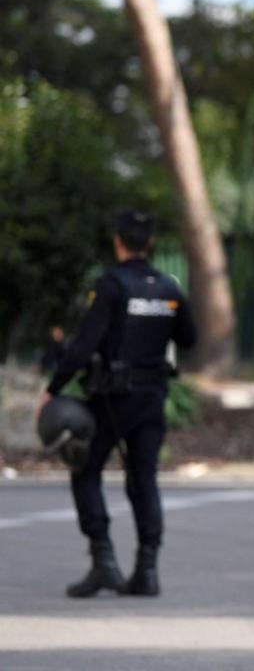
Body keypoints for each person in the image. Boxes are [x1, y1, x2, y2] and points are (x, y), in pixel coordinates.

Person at [37, 210, 196, 597]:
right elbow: (188, 338)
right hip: (152, 398)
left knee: (85, 471)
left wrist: (53, 388)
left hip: (111, 399)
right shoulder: (169, 289)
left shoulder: (110, 286)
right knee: (143, 480)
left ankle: (103, 561)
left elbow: (83, 345)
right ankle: (147, 569)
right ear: (151, 244)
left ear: (118, 242)